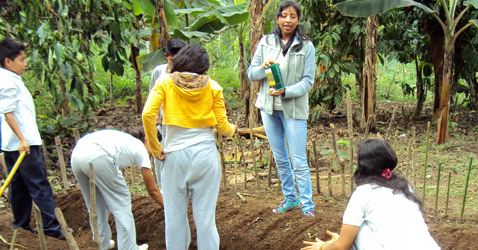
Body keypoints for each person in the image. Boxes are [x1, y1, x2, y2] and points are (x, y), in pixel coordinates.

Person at [142, 44, 236, 250]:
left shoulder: (165, 83)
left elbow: (148, 114)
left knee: (174, 218)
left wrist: (156, 148)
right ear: (203, 66)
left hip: (174, 155)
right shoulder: (213, 86)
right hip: (205, 154)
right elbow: (223, 127)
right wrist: (233, 130)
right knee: (205, 220)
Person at [302, 139, 440, 250]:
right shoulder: (405, 188)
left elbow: (342, 246)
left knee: (355, 232)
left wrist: (322, 247)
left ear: (363, 166)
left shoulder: (363, 192)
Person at [247, 0, 316, 216]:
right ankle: (291, 198)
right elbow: (251, 74)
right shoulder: (266, 42)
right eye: (284, 15)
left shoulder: (306, 46)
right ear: (277, 18)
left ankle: (308, 208)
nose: (288, 20)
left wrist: (285, 91)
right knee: (280, 157)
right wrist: (262, 67)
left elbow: (308, 81)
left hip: (294, 109)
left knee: (298, 159)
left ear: (298, 20)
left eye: (293, 16)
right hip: (268, 109)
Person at [0, 38, 65, 240]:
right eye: (21, 59)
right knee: (39, 184)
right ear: (8, 61)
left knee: (18, 185)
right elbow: (7, 112)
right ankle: (51, 228)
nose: (25, 63)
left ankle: (20, 225)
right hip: (23, 144)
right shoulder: (8, 81)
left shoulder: (8, 78)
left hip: (12, 143)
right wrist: (22, 139)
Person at [71, 127, 161, 250]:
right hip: (99, 154)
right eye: (156, 146)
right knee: (121, 201)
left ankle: (102, 243)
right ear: (147, 139)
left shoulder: (125, 140)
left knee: (95, 203)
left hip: (77, 155)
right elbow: (152, 191)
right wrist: (168, 207)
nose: (155, 152)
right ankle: (128, 247)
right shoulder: (140, 148)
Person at [148, 38, 186, 190]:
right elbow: (152, 95)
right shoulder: (159, 72)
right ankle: (164, 192)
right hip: (162, 125)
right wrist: (154, 115)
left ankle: (181, 190)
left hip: (180, 123)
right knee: (162, 157)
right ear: (166, 56)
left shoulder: (188, 73)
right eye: (172, 60)